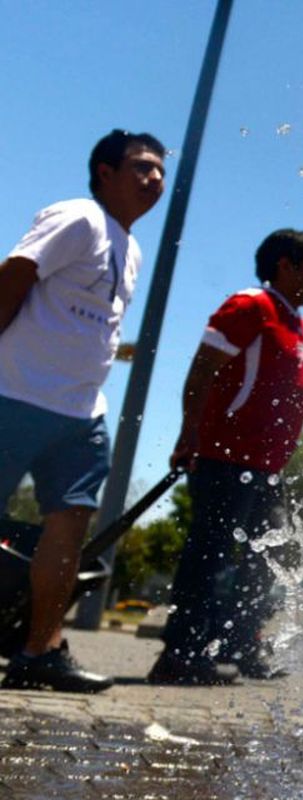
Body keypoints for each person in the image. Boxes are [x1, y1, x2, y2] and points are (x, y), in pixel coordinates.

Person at [0, 130, 166, 693]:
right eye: (142, 167)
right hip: (14, 393)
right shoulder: (78, 217)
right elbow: (16, 274)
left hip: (81, 413)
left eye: (160, 170)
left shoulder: (132, 247)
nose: (155, 180)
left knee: (68, 529)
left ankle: (39, 651)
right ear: (104, 172)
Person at [148, 229, 303, 686]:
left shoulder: (293, 320)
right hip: (226, 458)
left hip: (267, 467)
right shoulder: (250, 306)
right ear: (285, 266)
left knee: (262, 560)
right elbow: (202, 368)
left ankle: (241, 646)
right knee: (209, 554)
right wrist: (190, 435)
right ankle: (181, 653)